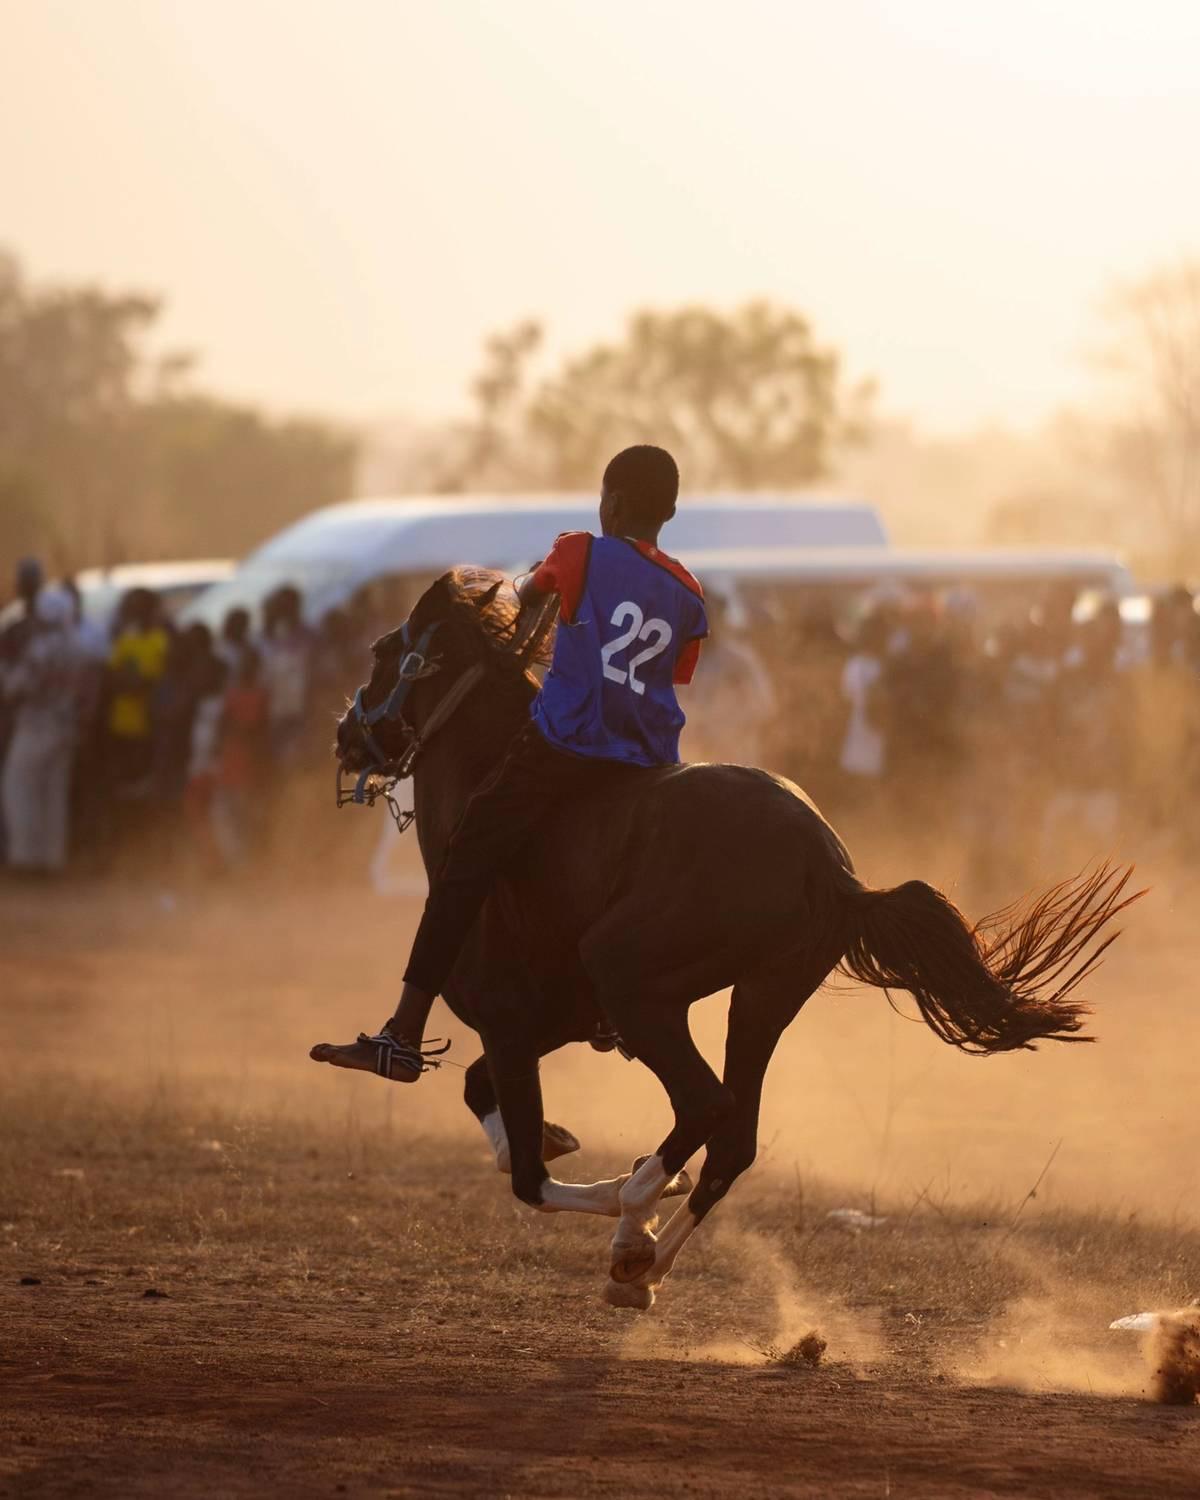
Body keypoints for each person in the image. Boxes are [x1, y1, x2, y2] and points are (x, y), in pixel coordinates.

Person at [312, 444, 708, 1084]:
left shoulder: (579, 550)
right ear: (668, 511)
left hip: (568, 748)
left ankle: (402, 1034)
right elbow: (671, 673)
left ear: (612, 502)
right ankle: (612, 1012)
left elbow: (516, 602)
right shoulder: (689, 591)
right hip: (649, 765)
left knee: (464, 860)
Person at [0, 585, 88, 874]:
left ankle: (26, 858)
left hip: (36, 726)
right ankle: (53, 859)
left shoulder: (40, 649)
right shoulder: (76, 647)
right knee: (54, 795)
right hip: (66, 726)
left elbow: (15, 687)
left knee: (19, 788)